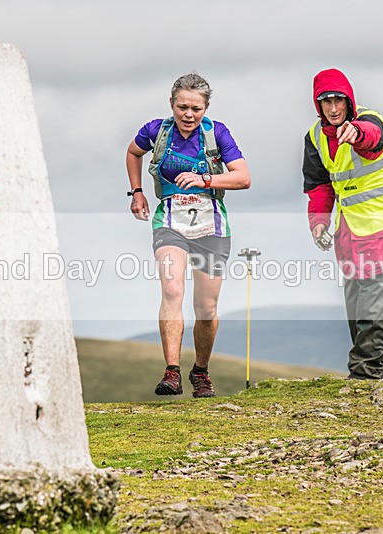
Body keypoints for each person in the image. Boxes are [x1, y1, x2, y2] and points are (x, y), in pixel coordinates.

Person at [125, 72, 251, 397]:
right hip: (169, 221)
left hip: (211, 225)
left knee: (206, 308)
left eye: (196, 108)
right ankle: (171, 372)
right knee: (171, 289)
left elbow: (243, 178)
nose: (188, 115)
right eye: (182, 107)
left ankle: (201, 371)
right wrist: (137, 192)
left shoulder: (216, 134)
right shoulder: (157, 130)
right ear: (172, 104)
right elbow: (133, 152)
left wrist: (206, 180)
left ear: (206, 107)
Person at [301, 68, 383, 380]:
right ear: (318, 104)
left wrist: (358, 134)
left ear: (349, 100)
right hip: (349, 232)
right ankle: (379, 375)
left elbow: (372, 139)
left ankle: (365, 373)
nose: (334, 108)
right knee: (357, 308)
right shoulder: (314, 138)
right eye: (326, 102)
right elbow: (319, 186)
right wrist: (319, 223)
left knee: (377, 305)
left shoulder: (371, 120)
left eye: (339, 100)